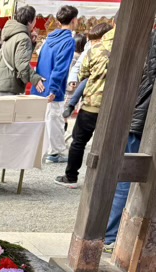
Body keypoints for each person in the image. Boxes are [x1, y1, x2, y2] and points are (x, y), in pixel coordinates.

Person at [103, 29, 156, 249]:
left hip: (131, 115)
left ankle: (110, 234)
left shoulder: (142, 38)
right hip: (142, 120)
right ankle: (112, 236)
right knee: (128, 179)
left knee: (122, 177)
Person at [56, 20, 116, 188]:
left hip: (92, 105)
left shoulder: (94, 50)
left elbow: (84, 73)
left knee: (79, 142)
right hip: (116, 108)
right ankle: (105, 182)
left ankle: (71, 177)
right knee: (110, 145)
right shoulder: (129, 50)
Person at [31, 5, 79, 163]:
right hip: (53, 86)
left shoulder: (50, 38)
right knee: (55, 118)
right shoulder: (68, 41)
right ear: (73, 21)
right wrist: (54, 89)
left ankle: (45, 150)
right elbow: (61, 68)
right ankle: (54, 152)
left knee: (44, 118)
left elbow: (40, 61)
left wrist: (38, 80)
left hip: (40, 84)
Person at [63, 23, 113, 118]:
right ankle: (71, 105)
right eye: (92, 41)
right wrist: (73, 80)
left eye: (96, 41)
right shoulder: (89, 51)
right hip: (90, 84)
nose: (93, 43)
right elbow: (78, 68)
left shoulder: (110, 51)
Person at [0, 6, 45, 95]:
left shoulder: (12, 32)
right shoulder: (23, 38)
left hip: (3, 81)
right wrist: (35, 79)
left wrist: (31, 43)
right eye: (35, 18)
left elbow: (16, 56)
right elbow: (22, 64)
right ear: (29, 21)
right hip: (11, 85)